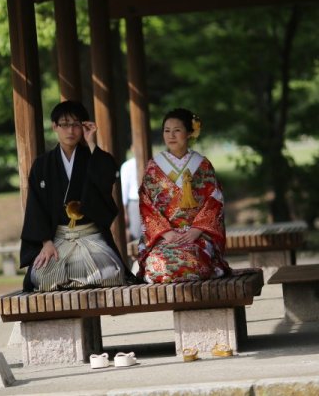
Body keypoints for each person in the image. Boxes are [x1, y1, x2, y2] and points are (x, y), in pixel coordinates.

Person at [19, 100, 133, 292]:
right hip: (57, 240)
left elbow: (107, 177)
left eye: (76, 124)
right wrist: (46, 243)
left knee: (110, 273)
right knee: (42, 278)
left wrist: (91, 143)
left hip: (91, 237)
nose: (70, 130)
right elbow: (35, 207)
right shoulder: (42, 165)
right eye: (64, 124)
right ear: (55, 126)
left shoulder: (92, 157)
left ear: (84, 127)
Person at [137, 108, 231, 283]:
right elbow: (146, 204)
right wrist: (165, 233)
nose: (171, 135)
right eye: (167, 130)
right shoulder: (153, 167)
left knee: (190, 262)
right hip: (165, 236)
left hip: (197, 235)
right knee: (159, 264)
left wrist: (197, 230)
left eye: (177, 130)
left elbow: (215, 200)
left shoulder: (202, 165)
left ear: (189, 133)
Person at [120, 149, 141, 241]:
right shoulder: (127, 165)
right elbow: (124, 190)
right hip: (135, 203)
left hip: (148, 201)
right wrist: (125, 212)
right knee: (137, 235)